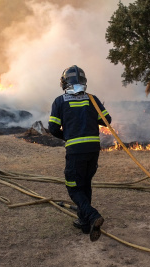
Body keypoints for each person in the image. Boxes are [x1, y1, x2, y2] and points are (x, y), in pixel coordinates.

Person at [48, 65, 112, 242]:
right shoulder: (92, 99)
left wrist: (66, 136)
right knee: (85, 183)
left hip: (76, 151)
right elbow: (107, 121)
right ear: (84, 81)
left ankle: (92, 216)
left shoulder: (60, 101)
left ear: (64, 83)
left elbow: (52, 128)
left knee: (74, 186)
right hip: (93, 150)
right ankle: (85, 223)